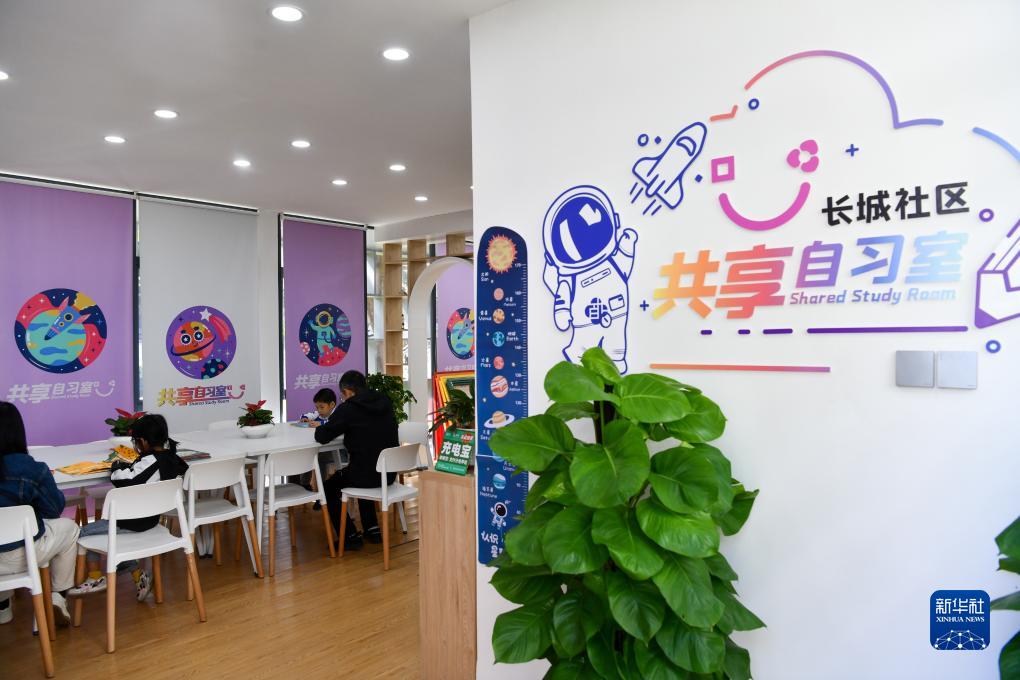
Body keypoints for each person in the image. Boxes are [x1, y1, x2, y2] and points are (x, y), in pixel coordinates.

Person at [68, 414, 188, 601]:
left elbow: (124, 480)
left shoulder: (151, 461)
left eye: (136, 442)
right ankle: (139, 575)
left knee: (82, 533)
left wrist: (116, 466)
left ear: (143, 441)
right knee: (108, 538)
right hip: (151, 520)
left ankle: (95, 577)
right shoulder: (172, 458)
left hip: (131, 523)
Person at [0, 401, 79, 626]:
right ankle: (57, 597)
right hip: (24, 554)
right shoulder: (31, 469)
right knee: (70, 529)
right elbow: (54, 509)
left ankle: (3, 607)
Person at [315, 371, 399, 549]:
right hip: (389, 473)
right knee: (364, 466)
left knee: (329, 487)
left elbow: (322, 436)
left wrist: (322, 426)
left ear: (347, 392)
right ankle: (372, 529)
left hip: (364, 475)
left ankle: (350, 536)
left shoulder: (349, 408)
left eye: (342, 396)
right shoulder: (384, 401)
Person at [293, 388, 339, 495]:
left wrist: (321, 424)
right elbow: (309, 414)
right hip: (318, 447)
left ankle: (322, 489)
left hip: (333, 450)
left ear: (332, 405)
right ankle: (305, 485)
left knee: (319, 459)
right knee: (308, 455)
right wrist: (305, 418)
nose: (319, 410)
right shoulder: (318, 413)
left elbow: (334, 424)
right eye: (317, 407)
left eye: (322, 407)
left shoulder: (337, 415)